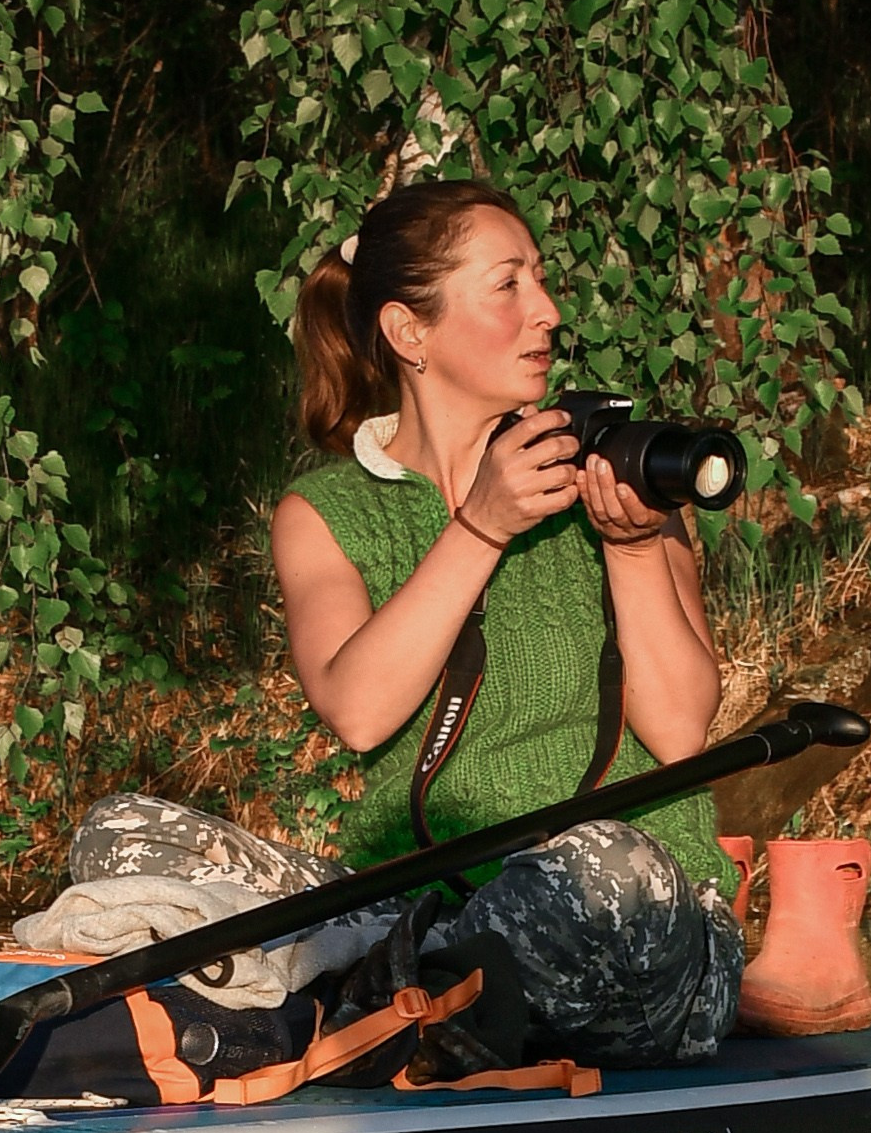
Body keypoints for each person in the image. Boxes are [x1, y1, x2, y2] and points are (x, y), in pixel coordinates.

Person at [268, 178, 743, 1066]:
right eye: (509, 284)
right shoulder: (327, 510)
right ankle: (404, 991)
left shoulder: (624, 477)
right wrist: (482, 525)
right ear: (410, 332)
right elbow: (361, 708)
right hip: (427, 902)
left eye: (541, 279)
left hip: (628, 928)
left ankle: (373, 1001)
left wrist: (633, 550)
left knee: (605, 869)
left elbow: (681, 732)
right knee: (130, 834)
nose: (549, 311)